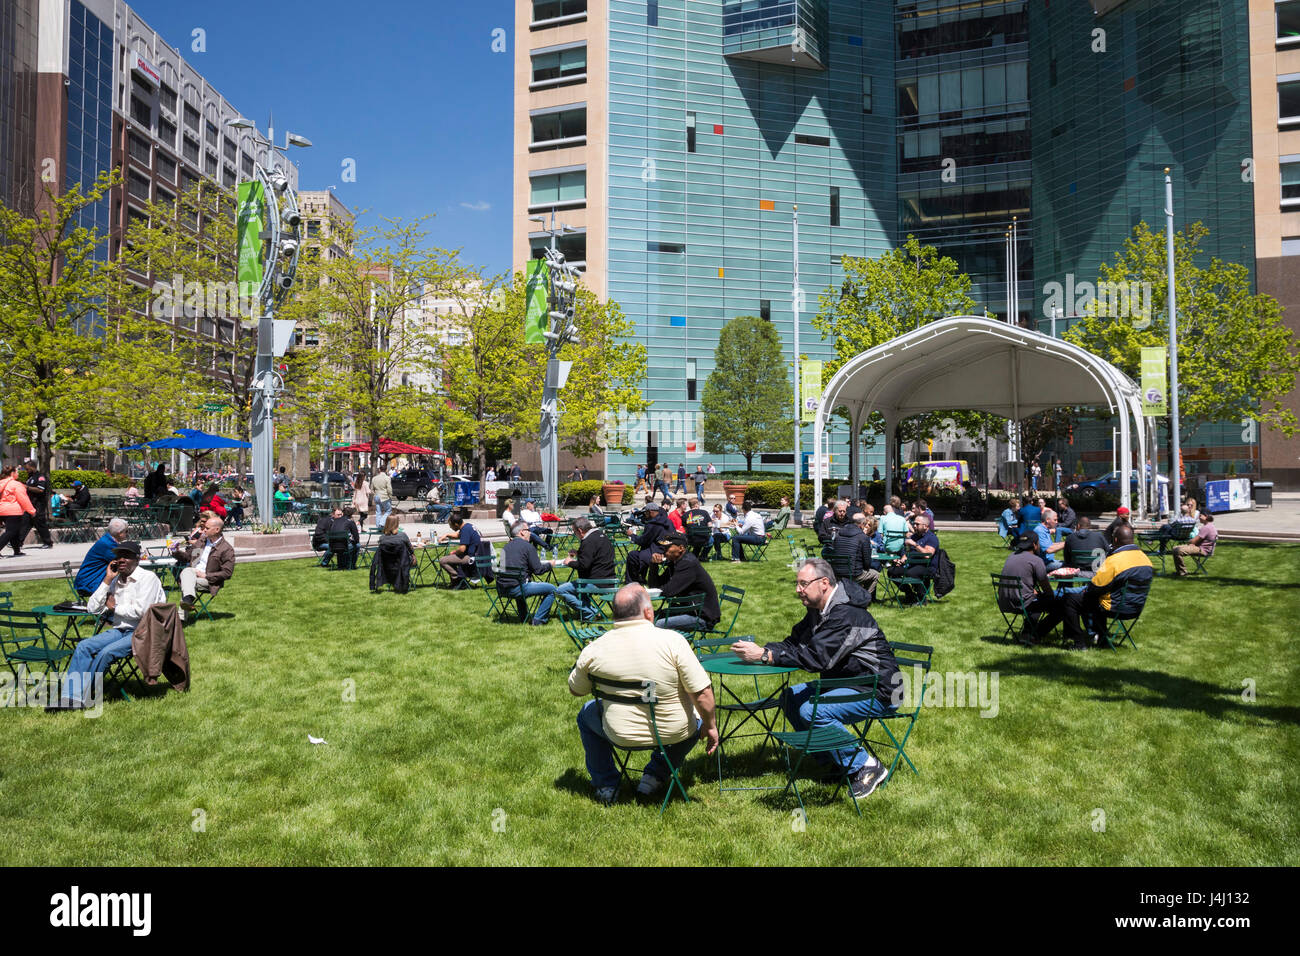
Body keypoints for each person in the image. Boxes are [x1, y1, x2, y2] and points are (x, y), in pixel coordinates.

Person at [731, 558, 899, 800]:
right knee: (790, 698)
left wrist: (766, 655)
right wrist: (762, 650)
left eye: (803, 584)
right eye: (797, 584)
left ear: (823, 583)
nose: (798, 589)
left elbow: (817, 659)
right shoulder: (818, 611)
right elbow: (794, 644)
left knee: (812, 711)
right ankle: (832, 761)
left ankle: (865, 765)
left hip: (881, 689)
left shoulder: (846, 615)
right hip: (849, 683)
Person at [569, 584, 719, 804]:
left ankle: (606, 784)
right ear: (649, 612)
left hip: (618, 732)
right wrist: (711, 725)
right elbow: (703, 693)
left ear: (615, 614)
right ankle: (654, 775)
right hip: (673, 732)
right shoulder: (673, 641)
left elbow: (576, 690)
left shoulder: (594, 649)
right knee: (700, 717)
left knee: (586, 714)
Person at [49, 541, 166, 711]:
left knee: (106, 652)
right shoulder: (115, 580)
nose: (121, 560)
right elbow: (92, 608)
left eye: (126, 556)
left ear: (137, 559)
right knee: (83, 646)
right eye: (118, 556)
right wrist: (106, 580)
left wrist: (115, 607)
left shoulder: (148, 579)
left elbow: (142, 612)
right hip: (120, 630)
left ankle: (84, 697)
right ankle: (69, 697)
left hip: (144, 631)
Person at [1061, 525, 1153, 650]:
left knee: (1070, 599)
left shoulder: (1115, 560)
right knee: (1099, 597)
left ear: (1114, 540)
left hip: (1114, 607)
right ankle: (1102, 639)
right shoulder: (1145, 559)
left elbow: (1095, 586)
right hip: (1135, 607)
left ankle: (1079, 643)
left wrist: (1084, 590)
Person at [501, 520, 585, 625]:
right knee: (552, 589)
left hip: (502, 588)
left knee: (520, 582)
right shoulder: (528, 547)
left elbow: (505, 567)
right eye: (528, 530)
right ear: (522, 532)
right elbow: (538, 570)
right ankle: (539, 620)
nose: (530, 533)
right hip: (518, 588)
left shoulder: (506, 547)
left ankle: (523, 617)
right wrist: (550, 564)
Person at [998, 533, 1063, 644]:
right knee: (1061, 606)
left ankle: (1027, 632)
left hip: (1004, 601)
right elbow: (1046, 588)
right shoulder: (1036, 560)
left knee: (1037, 599)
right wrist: (1052, 597)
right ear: (1034, 545)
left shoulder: (1011, 556)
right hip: (1021, 603)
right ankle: (1035, 634)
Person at [648, 531, 721, 632]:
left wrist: (654, 591)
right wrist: (653, 565)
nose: (664, 551)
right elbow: (655, 586)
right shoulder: (675, 562)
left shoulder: (687, 564)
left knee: (657, 624)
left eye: (667, 547)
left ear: (681, 548)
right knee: (647, 618)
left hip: (702, 617)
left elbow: (668, 591)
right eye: (663, 548)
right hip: (687, 610)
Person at [176, 515, 235, 622]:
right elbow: (189, 557)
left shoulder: (226, 549)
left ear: (216, 530)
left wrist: (206, 575)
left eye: (207, 528)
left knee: (187, 576)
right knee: (188, 574)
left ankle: (184, 609)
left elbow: (227, 573)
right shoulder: (202, 541)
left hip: (209, 581)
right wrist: (175, 551)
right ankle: (185, 605)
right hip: (193, 575)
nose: (203, 530)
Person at [889, 514, 938, 604]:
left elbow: (928, 555)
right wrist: (902, 559)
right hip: (912, 564)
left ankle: (922, 597)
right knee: (892, 571)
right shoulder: (914, 536)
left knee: (911, 573)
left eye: (917, 524)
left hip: (927, 566)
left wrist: (914, 544)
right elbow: (906, 551)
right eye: (914, 524)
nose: (914, 526)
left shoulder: (932, 538)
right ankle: (909, 594)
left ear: (925, 526)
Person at [624, 501, 674, 585]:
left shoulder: (653, 524)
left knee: (632, 555)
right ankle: (641, 578)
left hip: (656, 554)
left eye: (645, 513)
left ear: (650, 512)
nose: (645, 515)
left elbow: (643, 541)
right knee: (644, 551)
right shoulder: (668, 522)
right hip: (669, 553)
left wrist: (632, 535)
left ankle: (631, 581)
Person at [564, 516, 617, 581]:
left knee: (561, 590)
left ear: (580, 530)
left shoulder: (588, 541)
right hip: (610, 579)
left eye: (574, 532)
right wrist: (578, 553)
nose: (575, 534)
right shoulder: (602, 536)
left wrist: (569, 562)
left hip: (595, 582)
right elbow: (596, 556)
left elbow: (583, 566)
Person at [0, 465, 37, 558]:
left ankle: (17, 551)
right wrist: (32, 511)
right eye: (17, 472)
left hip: (1, 510)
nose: (18, 474)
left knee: (14, 531)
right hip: (13, 511)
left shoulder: (1, 483)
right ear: (12, 473)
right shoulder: (16, 484)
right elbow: (23, 499)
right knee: (11, 531)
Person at [439, 513, 485, 588]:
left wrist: (454, 552)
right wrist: (447, 535)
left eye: (451, 525)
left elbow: (462, 549)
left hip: (471, 558)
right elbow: (458, 535)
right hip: (479, 556)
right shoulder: (468, 526)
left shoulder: (465, 530)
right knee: (451, 559)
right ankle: (459, 581)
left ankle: (457, 579)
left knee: (442, 560)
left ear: (456, 524)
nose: (451, 527)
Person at [21, 459, 54, 549]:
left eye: (27, 469)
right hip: (30, 504)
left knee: (40, 522)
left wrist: (27, 487)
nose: (26, 471)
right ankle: (19, 542)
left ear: (32, 467)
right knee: (25, 522)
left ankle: (48, 542)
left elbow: (40, 489)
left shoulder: (40, 477)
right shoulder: (30, 477)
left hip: (38, 504)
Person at [1172, 512, 1218, 576]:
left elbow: (1194, 541)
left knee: (1178, 550)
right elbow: (1198, 541)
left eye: (1201, 516)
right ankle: (1179, 571)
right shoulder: (1210, 526)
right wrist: (1193, 543)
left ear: (1206, 516)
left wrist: (1190, 542)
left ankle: (1182, 572)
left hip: (1203, 550)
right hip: (1202, 548)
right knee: (1175, 548)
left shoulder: (1206, 528)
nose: (1199, 517)